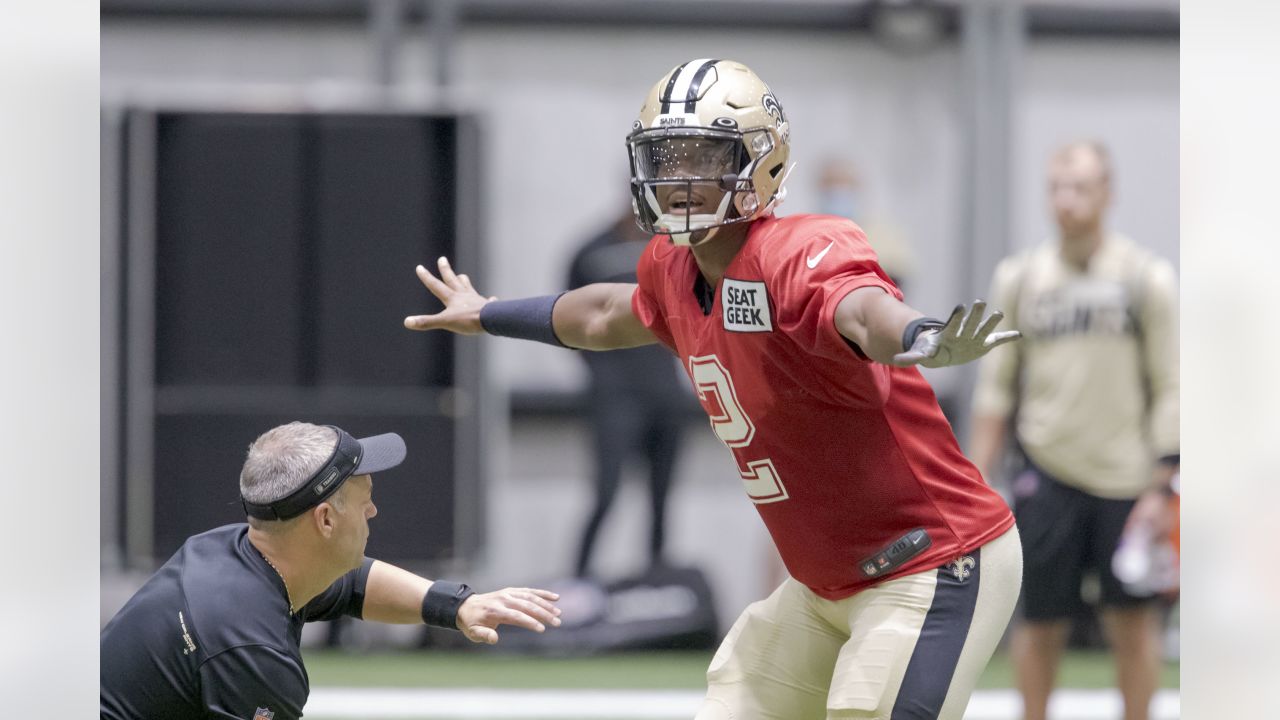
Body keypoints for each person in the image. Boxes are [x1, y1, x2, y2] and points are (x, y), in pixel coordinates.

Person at [406, 59, 1023, 719]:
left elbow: (862, 310)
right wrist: (489, 312)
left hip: (930, 563)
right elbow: (604, 313)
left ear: (763, 163)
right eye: (666, 157)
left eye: (703, 156)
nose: (679, 179)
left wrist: (918, 334)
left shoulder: (798, 251)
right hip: (823, 586)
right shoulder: (671, 269)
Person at [100, 421, 563, 720]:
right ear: (324, 519)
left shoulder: (236, 552)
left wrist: (459, 606)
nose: (375, 511)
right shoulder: (249, 645)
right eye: (365, 500)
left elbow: (351, 583)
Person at [968, 140, 1179, 720]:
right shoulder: (1021, 278)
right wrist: (976, 483)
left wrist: (1165, 486)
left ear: (1107, 193)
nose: (1066, 200)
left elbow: (1171, 385)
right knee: (1039, 621)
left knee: (1133, 622)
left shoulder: (1145, 279)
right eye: (1057, 186)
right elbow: (997, 388)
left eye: (1081, 186)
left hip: (1127, 482)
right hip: (1047, 471)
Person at [567, 205, 691, 578]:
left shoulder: (672, 247)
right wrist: (603, 376)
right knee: (606, 493)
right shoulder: (593, 251)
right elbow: (569, 318)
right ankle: (580, 581)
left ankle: (657, 581)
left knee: (662, 496)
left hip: (665, 393)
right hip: (615, 398)